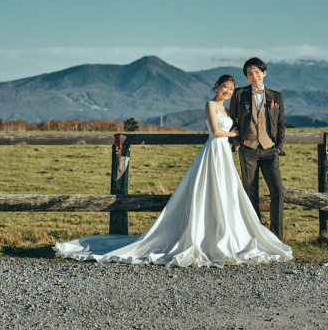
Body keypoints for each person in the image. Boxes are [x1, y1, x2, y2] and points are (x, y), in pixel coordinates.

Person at [53, 74, 292, 267]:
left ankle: (223, 232)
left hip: (224, 156)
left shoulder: (227, 109)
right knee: (207, 192)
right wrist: (233, 134)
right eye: (224, 87)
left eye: (230, 88)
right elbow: (216, 131)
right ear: (216, 86)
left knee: (226, 193)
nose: (228, 91)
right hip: (213, 150)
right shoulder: (210, 104)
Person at [228, 57, 286, 240]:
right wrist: (237, 145)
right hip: (247, 149)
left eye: (257, 72)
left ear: (264, 72)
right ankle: (255, 235)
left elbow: (281, 123)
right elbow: (232, 120)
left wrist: (278, 146)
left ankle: (276, 236)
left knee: (278, 191)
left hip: (270, 150)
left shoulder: (276, 96)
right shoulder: (239, 94)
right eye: (249, 74)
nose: (254, 76)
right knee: (250, 193)